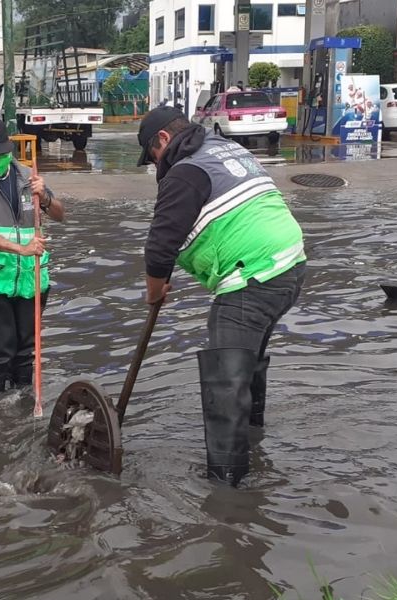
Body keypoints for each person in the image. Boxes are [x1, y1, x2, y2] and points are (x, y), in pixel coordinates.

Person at [137, 107, 306, 487]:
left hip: (254, 277)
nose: (155, 165)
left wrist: (154, 292)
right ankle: (254, 440)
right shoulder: (225, 149)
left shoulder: (185, 172)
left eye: (152, 156)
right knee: (248, 361)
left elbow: (160, 246)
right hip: (290, 266)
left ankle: (227, 483)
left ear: (163, 140)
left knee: (225, 381)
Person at [0, 117, 66, 398]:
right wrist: (21, 249)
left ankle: (23, 402)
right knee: (1, 347)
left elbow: (61, 215)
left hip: (30, 278)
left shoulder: (28, 176)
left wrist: (47, 198)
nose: (0, 160)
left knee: (26, 348)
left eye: (4, 153)